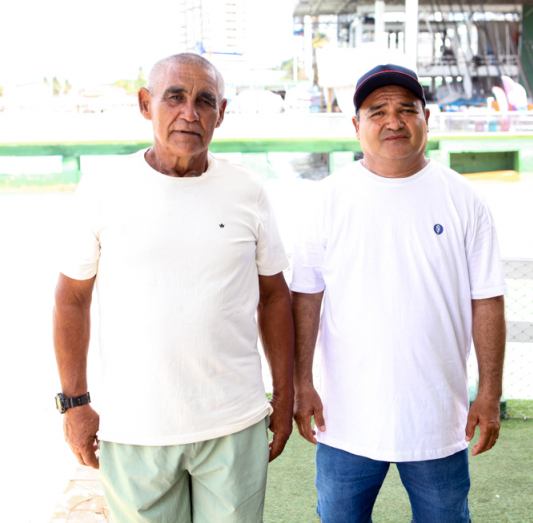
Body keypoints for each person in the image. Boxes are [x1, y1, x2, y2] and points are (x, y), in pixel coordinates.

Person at [52, 53, 295, 523]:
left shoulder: (250, 191)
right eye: (175, 97)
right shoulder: (103, 188)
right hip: (134, 429)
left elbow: (274, 296)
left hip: (234, 423)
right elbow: (71, 297)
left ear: (220, 113)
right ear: (146, 104)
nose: (190, 113)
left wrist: (283, 395)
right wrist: (74, 403)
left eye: (205, 101)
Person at [290, 63, 507, 523]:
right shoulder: (326, 200)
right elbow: (305, 298)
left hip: (437, 418)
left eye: (407, 109)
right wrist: (299, 381)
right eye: (378, 111)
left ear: (427, 118)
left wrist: (489, 391)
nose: (394, 121)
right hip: (345, 421)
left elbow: (487, 300)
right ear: (356, 125)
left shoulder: (464, 199)